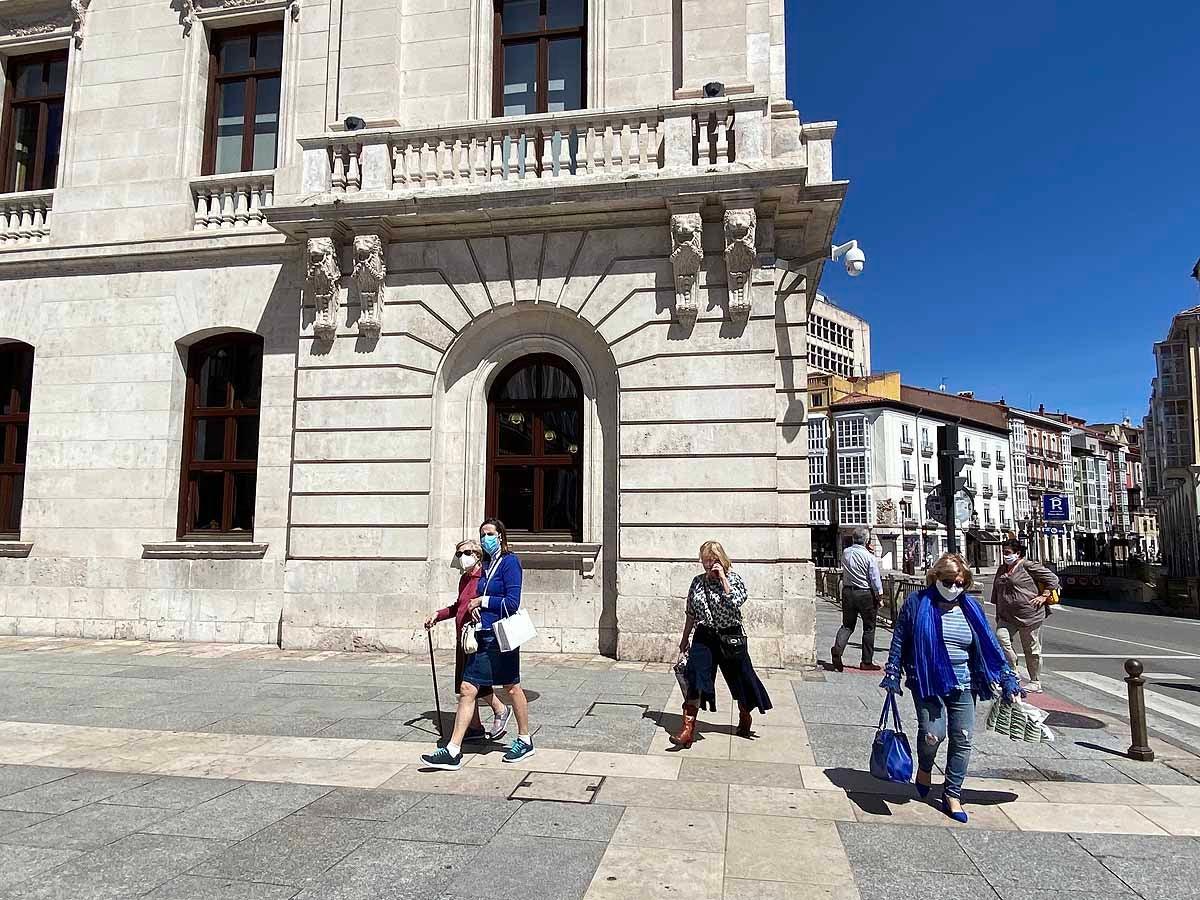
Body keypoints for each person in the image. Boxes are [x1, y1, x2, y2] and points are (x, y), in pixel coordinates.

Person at [881, 553, 1023, 823]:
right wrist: (892, 673)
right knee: (933, 735)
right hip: (927, 680)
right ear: (935, 578)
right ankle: (924, 767)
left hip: (964, 681)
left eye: (961, 583)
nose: (954, 588)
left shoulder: (971, 608)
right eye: (949, 582)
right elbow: (900, 639)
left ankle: (952, 793)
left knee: (963, 736)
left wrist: (1008, 678)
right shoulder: (917, 603)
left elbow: (990, 645)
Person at [421, 518, 534, 770]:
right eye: (483, 534)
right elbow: (469, 602)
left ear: (501, 536)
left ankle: (525, 739)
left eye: (490, 534)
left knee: (512, 687)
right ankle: (453, 750)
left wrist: (480, 602)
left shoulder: (509, 563)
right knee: (468, 688)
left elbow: (511, 602)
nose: (485, 538)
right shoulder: (488, 565)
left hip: (500, 636)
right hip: (483, 634)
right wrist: (474, 610)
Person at [672, 540, 772, 748]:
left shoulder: (734, 579)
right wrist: (684, 641)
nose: (708, 565)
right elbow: (691, 613)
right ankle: (687, 730)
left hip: (730, 637)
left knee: (742, 681)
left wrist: (723, 579)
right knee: (696, 679)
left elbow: (737, 601)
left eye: (712, 560)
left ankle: (745, 715)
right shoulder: (697, 582)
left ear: (722, 560)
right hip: (704, 636)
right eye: (705, 561)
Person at [423, 538, 511, 744]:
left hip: (478, 638)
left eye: (466, 553)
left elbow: (494, 603)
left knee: (472, 684)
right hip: (463, 638)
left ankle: (500, 709)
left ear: (477, 555)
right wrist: (438, 614)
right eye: (458, 553)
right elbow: (458, 607)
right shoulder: (464, 579)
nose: (461, 557)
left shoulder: (485, 578)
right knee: (466, 684)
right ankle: (475, 727)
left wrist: (483, 610)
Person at [991, 538, 1060, 693]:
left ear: (1018, 553)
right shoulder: (1002, 569)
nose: (1005, 555)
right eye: (1004, 552)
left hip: (1030, 615)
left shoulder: (1028, 566)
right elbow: (997, 593)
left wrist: (1044, 596)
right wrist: (998, 613)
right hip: (1007, 616)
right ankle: (1013, 673)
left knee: (1031, 649)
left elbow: (1052, 579)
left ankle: (1035, 681)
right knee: (1001, 639)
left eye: (1008, 553)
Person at [832, 528, 883, 671]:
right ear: (866, 540)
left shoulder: (846, 553)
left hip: (848, 591)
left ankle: (838, 649)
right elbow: (874, 578)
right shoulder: (869, 557)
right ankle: (866, 661)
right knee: (869, 627)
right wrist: (879, 596)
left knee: (847, 625)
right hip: (865, 593)